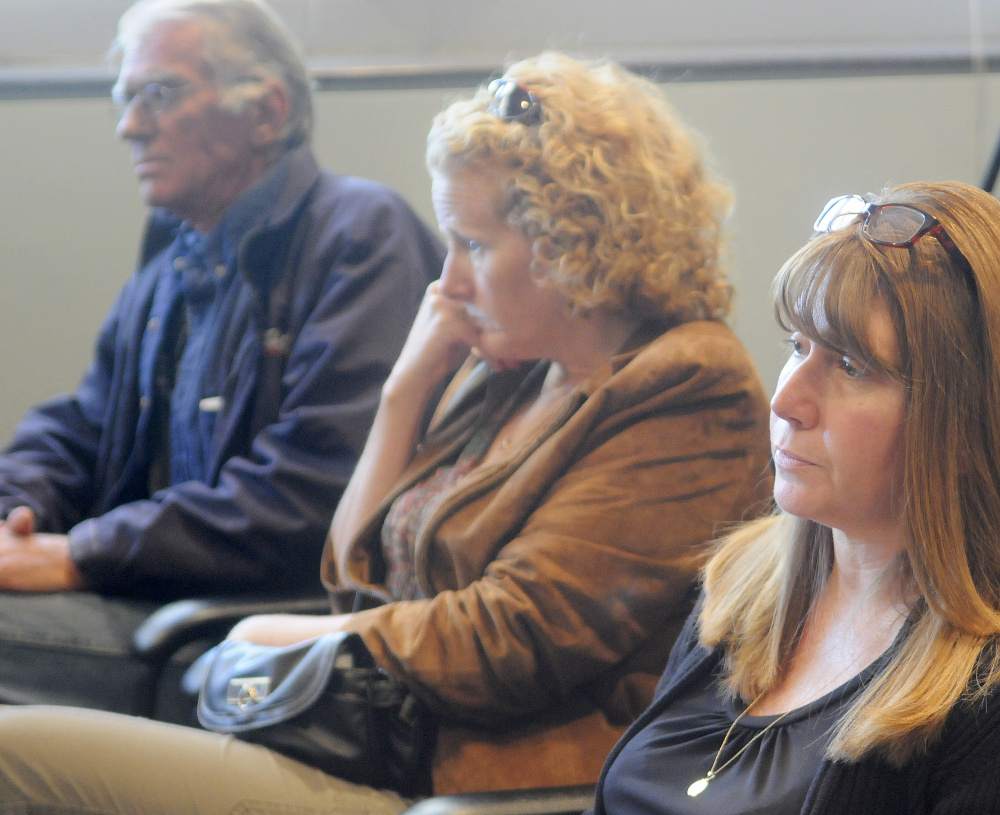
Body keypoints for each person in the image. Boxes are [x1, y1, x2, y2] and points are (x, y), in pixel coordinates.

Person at [0, 52, 770, 813]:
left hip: (472, 783)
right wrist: (406, 393)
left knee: (16, 757)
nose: (448, 283)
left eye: (471, 243)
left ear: (572, 243)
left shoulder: (687, 383)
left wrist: (289, 635)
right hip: (376, 747)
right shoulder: (516, 366)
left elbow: (512, 636)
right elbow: (350, 576)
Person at [0, 0, 443, 712]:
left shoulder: (360, 235)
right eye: (126, 98)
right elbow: (79, 431)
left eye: (160, 94)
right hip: (155, 603)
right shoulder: (174, 256)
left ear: (266, 113)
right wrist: (14, 510)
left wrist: (80, 554)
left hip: (244, 641)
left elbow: (313, 493)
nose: (129, 125)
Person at [591, 181, 1000, 815]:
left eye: (850, 366)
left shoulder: (981, 692)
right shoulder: (742, 581)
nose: (785, 402)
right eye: (798, 347)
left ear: (962, 414)